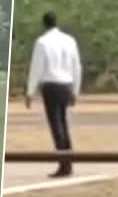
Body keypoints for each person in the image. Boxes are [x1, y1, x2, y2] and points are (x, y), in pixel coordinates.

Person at [24, 11, 82, 177]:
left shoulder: (42, 42)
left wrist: (30, 91)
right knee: (63, 123)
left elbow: (37, 68)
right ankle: (68, 161)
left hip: (51, 86)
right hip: (66, 85)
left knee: (56, 126)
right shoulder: (70, 41)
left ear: (44, 24)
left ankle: (64, 163)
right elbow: (76, 66)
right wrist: (75, 90)